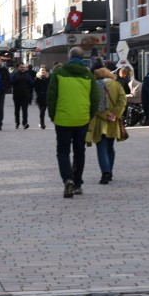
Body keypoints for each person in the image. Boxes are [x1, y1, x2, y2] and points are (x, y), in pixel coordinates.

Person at [48, 47, 101, 198]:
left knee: (63, 151)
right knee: (79, 151)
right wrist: (89, 115)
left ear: (69, 57)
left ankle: (67, 179)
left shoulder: (59, 73)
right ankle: (77, 183)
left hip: (63, 119)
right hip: (82, 119)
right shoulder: (88, 75)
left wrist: (53, 115)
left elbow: (51, 97)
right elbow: (95, 98)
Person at [87, 65, 128, 184]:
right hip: (113, 122)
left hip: (100, 122)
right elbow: (122, 100)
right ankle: (109, 170)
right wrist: (115, 114)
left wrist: (106, 115)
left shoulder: (95, 86)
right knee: (110, 146)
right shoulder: (117, 85)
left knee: (101, 147)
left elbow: (95, 105)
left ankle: (105, 172)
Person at [10, 62, 35, 129]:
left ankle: (25, 123)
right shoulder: (15, 75)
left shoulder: (28, 75)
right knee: (17, 110)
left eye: (24, 67)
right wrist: (15, 80)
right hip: (17, 95)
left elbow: (32, 83)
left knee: (25, 110)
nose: (23, 68)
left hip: (25, 95)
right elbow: (11, 82)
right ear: (18, 68)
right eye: (21, 67)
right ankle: (17, 123)